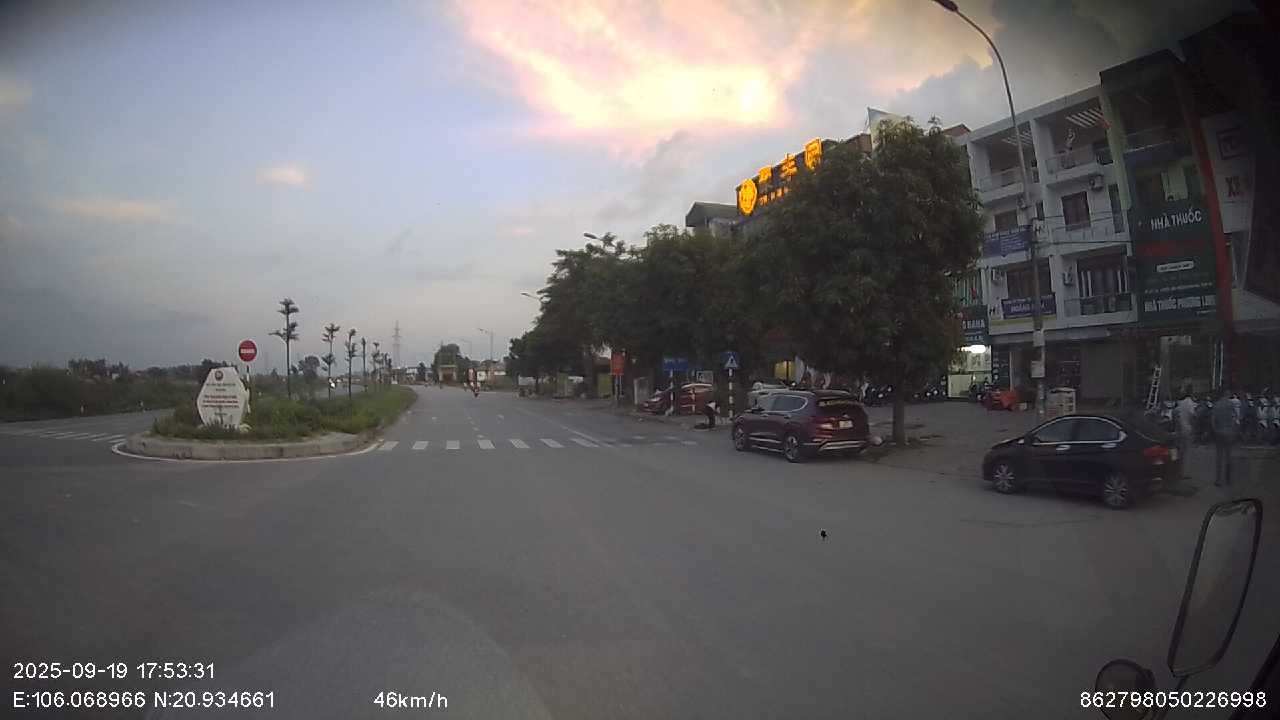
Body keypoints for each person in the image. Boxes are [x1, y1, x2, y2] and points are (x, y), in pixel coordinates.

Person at [1211, 388, 1237, 487]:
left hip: (1219, 432)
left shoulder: (1216, 405)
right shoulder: (1231, 404)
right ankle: (1228, 479)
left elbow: (1213, 419)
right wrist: (1233, 429)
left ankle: (1218, 480)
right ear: (1227, 394)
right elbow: (1235, 417)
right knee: (1228, 456)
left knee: (1219, 456)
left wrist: (1215, 430)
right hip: (1228, 432)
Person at [1176, 385, 1196, 477]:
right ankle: (1185, 473)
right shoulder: (1190, 403)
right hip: (1188, 429)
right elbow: (1192, 415)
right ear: (1191, 393)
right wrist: (1193, 426)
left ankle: (1178, 471)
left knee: (1181, 451)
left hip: (1181, 429)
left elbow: (1177, 415)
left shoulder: (1181, 403)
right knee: (1187, 452)